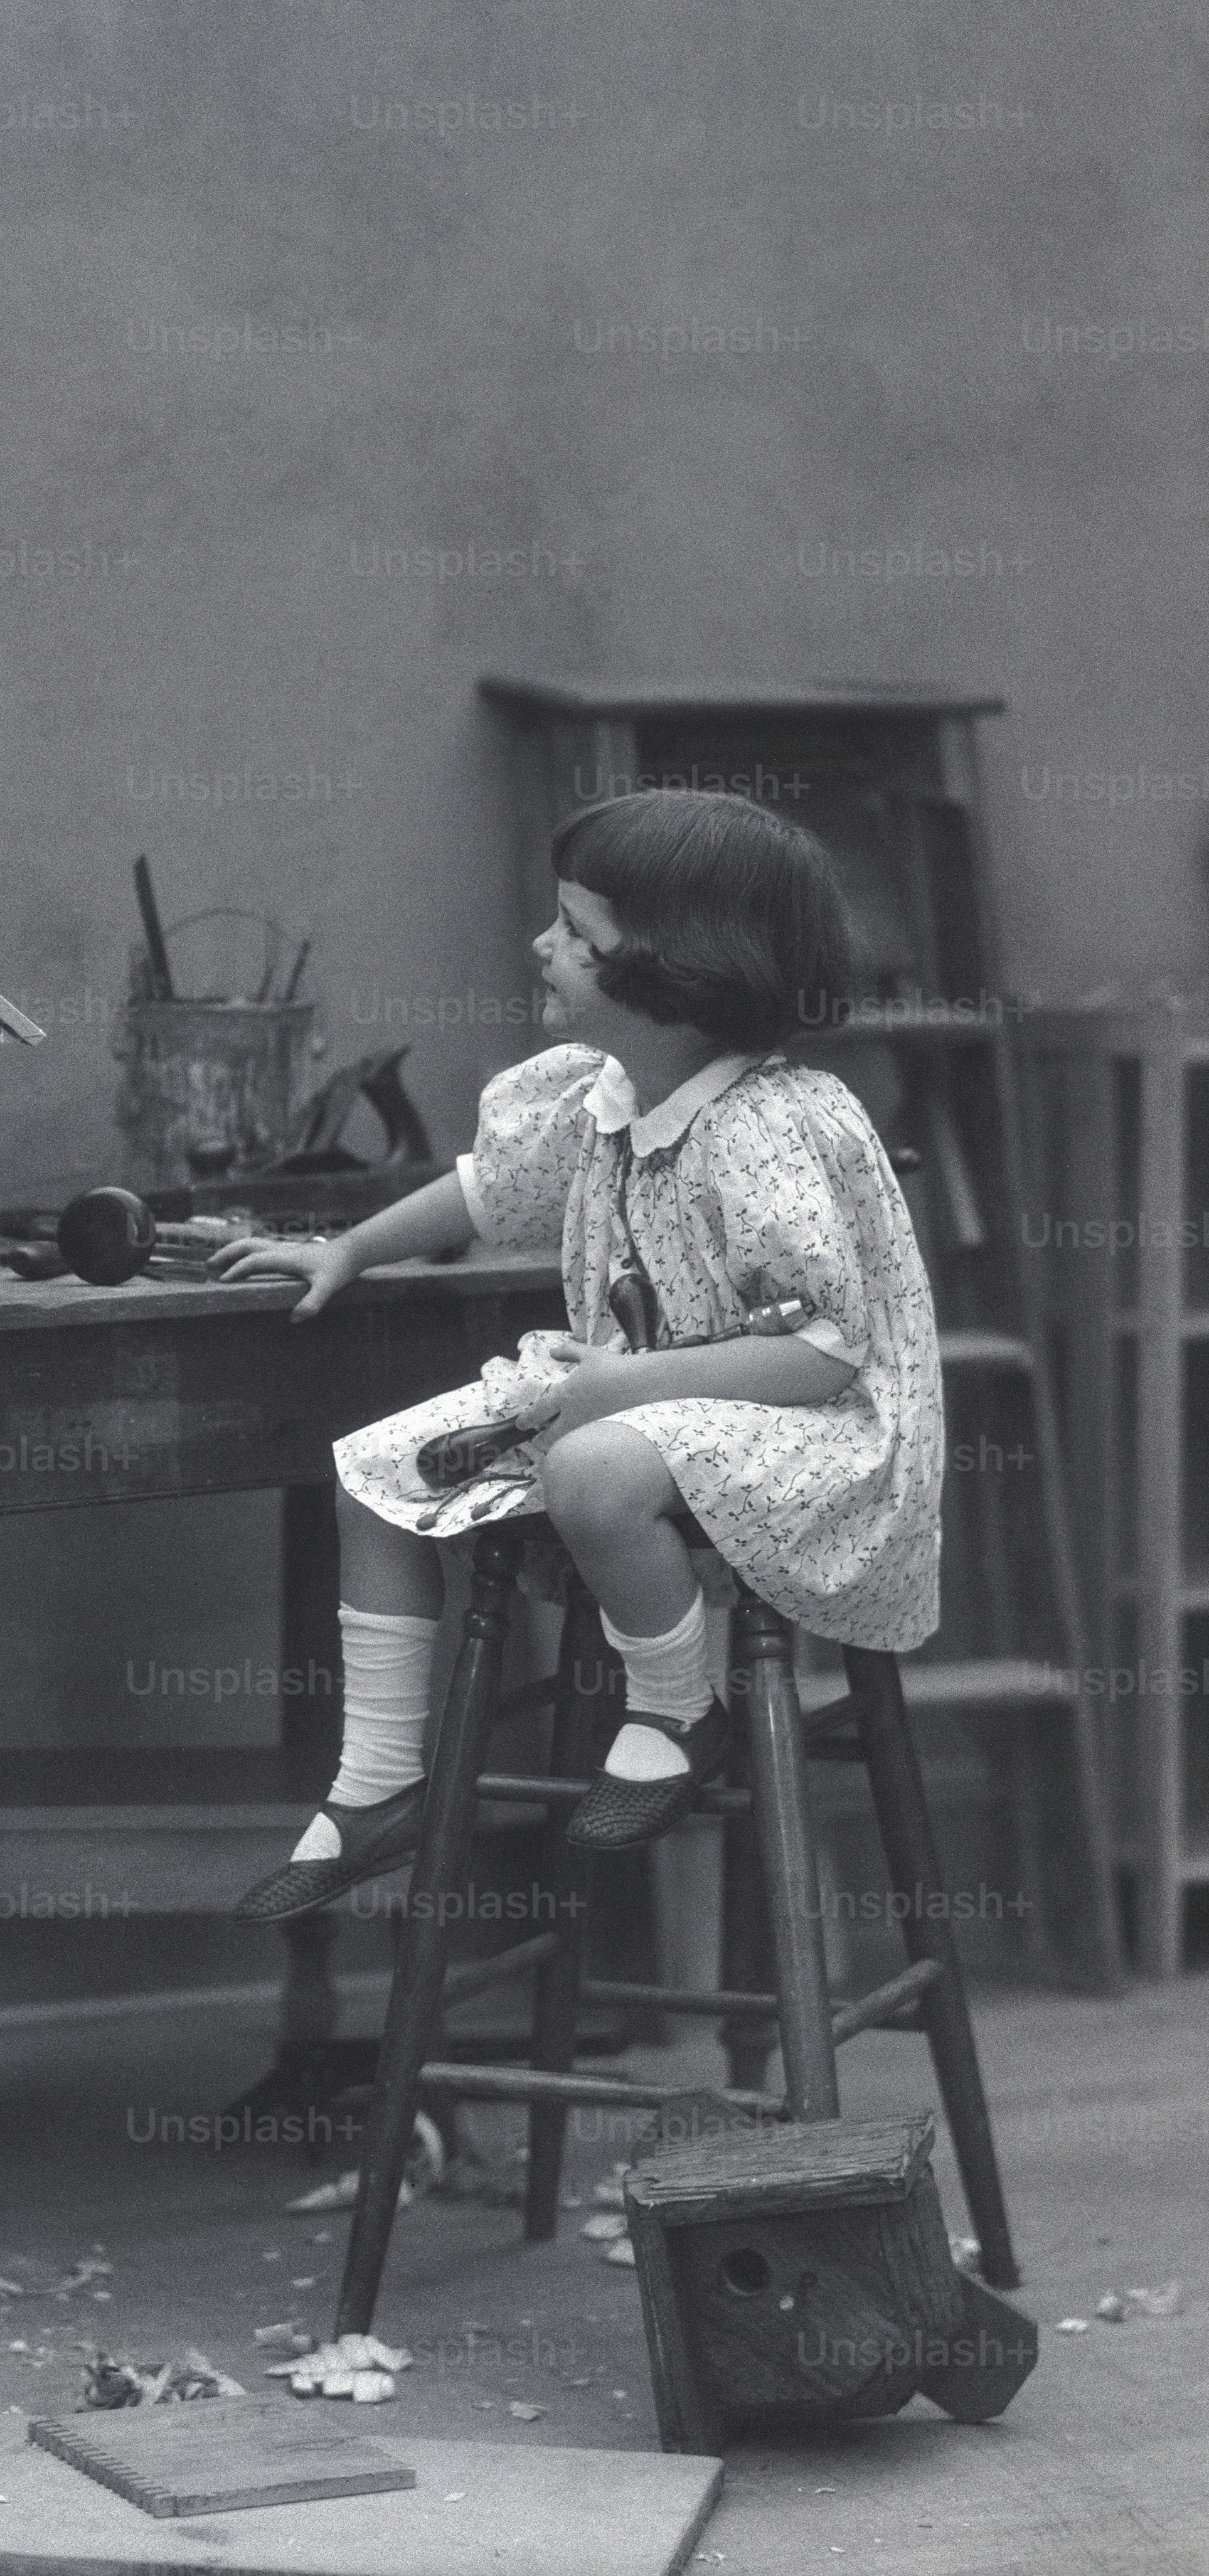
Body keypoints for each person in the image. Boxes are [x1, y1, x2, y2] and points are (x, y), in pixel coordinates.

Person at [211, 787, 942, 1921]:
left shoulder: (768, 1128)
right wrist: (347, 1249)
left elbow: (824, 1353)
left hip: (811, 1427)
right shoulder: (606, 1097)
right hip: (632, 1399)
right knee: (373, 1478)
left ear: (676, 971)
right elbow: (488, 1190)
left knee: (590, 1468)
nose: (540, 945)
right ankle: (378, 1785)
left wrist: (626, 1386)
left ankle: (677, 1713)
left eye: (575, 931)